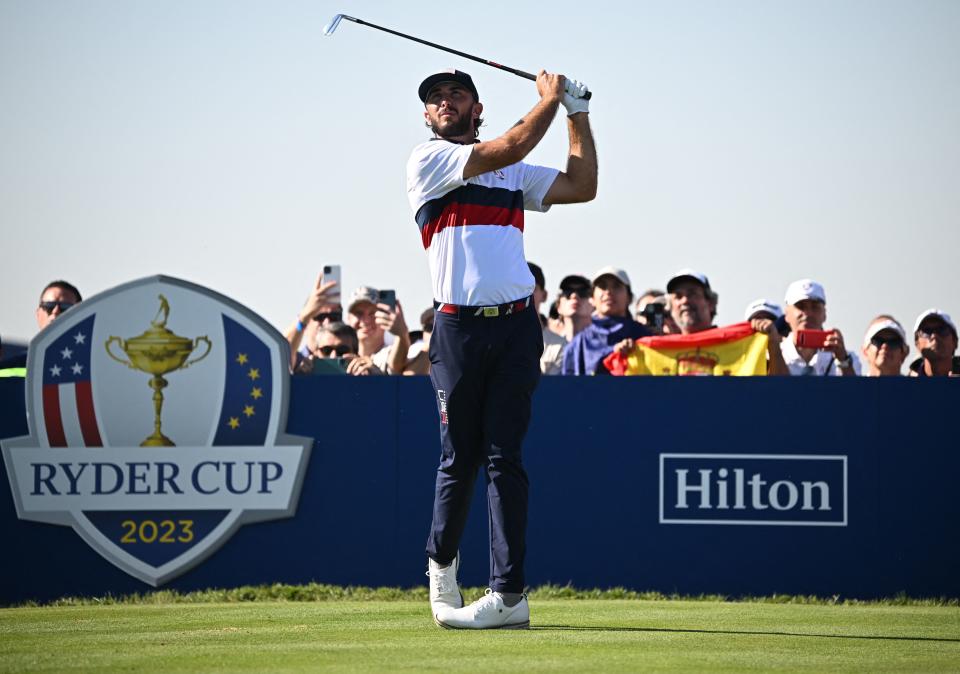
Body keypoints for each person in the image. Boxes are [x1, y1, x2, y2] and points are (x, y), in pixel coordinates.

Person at [407, 67, 596, 629]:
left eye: (455, 94)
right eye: (435, 98)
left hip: (516, 329)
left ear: (477, 106)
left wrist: (577, 113)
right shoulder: (427, 160)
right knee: (457, 458)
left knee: (503, 459)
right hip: (456, 331)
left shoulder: (513, 172)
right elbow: (508, 144)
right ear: (426, 114)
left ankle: (509, 597)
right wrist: (551, 99)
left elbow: (582, 185)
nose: (445, 102)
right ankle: (442, 568)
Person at [561, 267, 650, 375]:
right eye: (602, 286)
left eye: (616, 286)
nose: (608, 292)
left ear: (629, 298)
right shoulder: (577, 345)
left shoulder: (644, 336)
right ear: (592, 298)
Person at [778, 279, 860, 376]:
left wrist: (842, 360)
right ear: (787, 314)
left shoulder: (846, 358)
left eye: (815, 307)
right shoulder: (771, 356)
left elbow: (853, 390)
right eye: (801, 307)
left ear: (824, 314)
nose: (808, 314)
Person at [345, 286, 410, 375]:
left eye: (373, 313)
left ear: (386, 317)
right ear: (348, 318)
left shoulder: (389, 354)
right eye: (358, 313)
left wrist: (402, 335)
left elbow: (396, 364)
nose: (366, 320)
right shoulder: (338, 352)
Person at [284, 274, 340, 372]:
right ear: (307, 324)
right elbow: (282, 351)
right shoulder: (296, 361)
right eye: (319, 317)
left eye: (334, 317)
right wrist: (303, 317)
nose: (327, 323)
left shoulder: (348, 358)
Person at [529, 263, 568, 376]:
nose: (525, 296)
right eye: (519, 289)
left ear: (544, 295)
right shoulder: (499, 340)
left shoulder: (560, 346)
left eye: (531, 288)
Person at [908, 309, 960, 377]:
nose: (934, 336)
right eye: (926, 331)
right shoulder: (905, 385)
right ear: (917, 344)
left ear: (955, 341)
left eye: (942, 329)